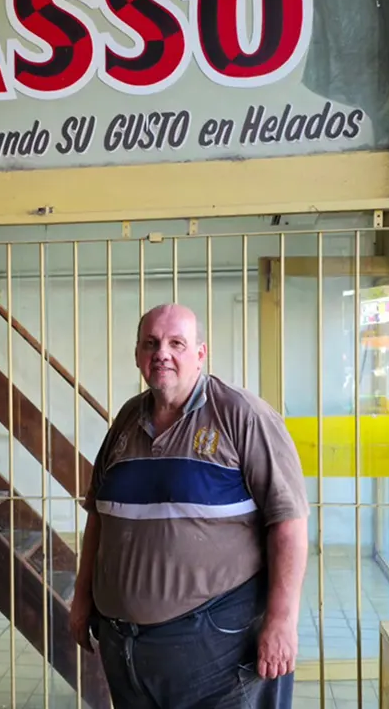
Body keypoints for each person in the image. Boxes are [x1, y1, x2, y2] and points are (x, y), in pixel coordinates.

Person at [70, 303, 309, 708]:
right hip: (127, 653)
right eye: (151, 343)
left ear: (200, 353)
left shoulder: (242, 416)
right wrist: (82, 596)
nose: (162, 352)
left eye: (176, 343)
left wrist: (282, 620)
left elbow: (288, 523)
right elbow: (99, 516)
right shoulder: (127, 420)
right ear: (138, 356)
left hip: (219, 654)